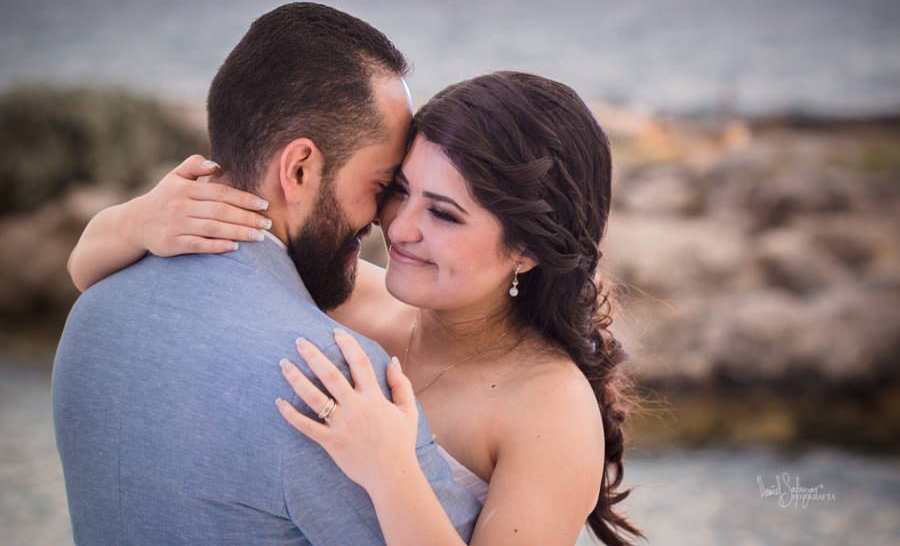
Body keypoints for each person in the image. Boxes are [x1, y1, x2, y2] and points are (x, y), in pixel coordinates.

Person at [69, 69, 645, 544]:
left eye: (443, 213)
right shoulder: (346, 296)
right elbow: (87, 273)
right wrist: (137, 219)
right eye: (399, 189)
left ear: (525, 250)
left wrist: (391, 470)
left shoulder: (549, 408)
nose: (398, 227)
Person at [53, 2, 482, 546]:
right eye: (380, 185)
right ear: (299, 169)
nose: (383, 219)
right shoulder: (331, 380)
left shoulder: (93, 311)